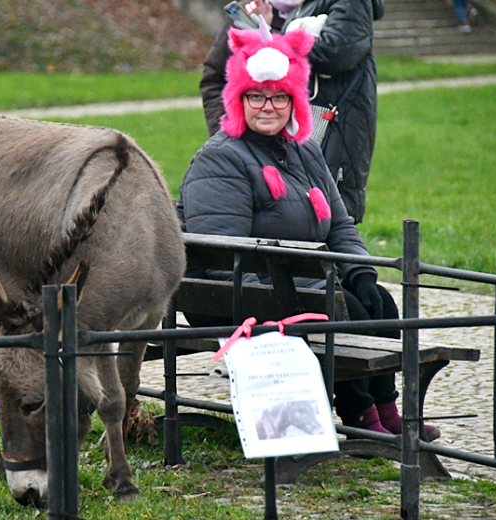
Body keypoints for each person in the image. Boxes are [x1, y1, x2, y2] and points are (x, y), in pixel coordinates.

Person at [177, 24, 439, 439]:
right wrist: (281, 290)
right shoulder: (221, 160)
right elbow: (224, 256)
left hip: (299, 283)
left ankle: (389, 410)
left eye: (279, 96)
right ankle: (360, 414)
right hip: (242, 293)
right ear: (238, 99)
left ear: (294, 100)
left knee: (377, 299)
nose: (269, 106)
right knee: (340, 305)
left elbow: (340, 224)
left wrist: (361, 271)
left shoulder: (304, 150)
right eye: (257, 96)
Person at [200, 0, 384, 224]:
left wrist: (268, 36)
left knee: (328, 226)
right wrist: (231, 137)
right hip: (253, 156)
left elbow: (337, 53)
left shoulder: (347, 4)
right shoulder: (251, 8)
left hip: (326, 143)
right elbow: (216, 77)